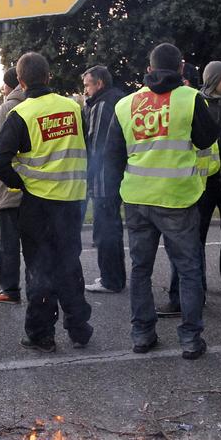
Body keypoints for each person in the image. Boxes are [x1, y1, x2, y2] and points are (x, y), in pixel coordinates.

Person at [104, 42, 217, 360]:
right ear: (181, 69)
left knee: (140, 269)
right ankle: (191, 340)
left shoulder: (126, 104)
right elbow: (207, 138)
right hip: (177, 199)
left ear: (149, 69)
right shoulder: (190, 98)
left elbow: (112, 157)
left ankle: (142, 334)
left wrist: (112, 200)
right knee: (189, 269)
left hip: (137, 198)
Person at [0, 51, 92, 352]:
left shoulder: (21, 114)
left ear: (20, 82)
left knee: (39, 269)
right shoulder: (73, 107)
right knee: (69, 264)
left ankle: (41, 334)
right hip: (72, 200)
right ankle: (79, 328)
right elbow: (86, 144)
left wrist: (21, 183)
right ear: (48, 76)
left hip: (38, 204)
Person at [160, 61, 221, 315]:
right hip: (203, 182)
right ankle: (196, 286)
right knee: (196, 238)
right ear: (212, 79)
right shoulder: (196, 102)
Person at [82, 65, 127, 294]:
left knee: (105, 229)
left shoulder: (101, 105)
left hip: (104, 179)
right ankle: (115, 277)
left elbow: (97, 147)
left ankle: (110, 280)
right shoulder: (118, 100)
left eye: (87, 85)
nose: (85, 91)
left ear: (99, 84)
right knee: (112, 227)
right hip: (118, 177)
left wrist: (89, 179)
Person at [0, 67, 26, 304]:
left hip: (9, 184)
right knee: (35, 240)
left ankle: (10, 289)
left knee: (9, 241)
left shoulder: (5, 109)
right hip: (34, 185)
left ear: (11, 85)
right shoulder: (36, 105)